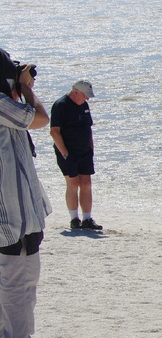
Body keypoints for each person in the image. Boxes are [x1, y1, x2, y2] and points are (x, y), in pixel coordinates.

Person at [0, 50, 54, 338]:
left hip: (16, 205)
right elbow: (40, 119)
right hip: (12, 208)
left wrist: (17, 85)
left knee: (10, 274)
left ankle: (8, 337)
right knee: (19, 275)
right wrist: (26, 88)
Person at [50, 79, 101, 230]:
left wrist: (91, 148)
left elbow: (88, 127)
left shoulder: (84, 105)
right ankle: (74, 219)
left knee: (86, 183)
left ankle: (87, 219)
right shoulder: (61, 105)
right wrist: (65, 154)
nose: (87, 98)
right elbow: (54, 132)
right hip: (67, 152)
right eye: (85, 95)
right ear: (76, 92)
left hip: (85, 151)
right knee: (73, 183)